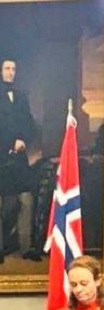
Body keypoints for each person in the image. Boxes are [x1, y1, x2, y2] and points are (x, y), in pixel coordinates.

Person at [0, 57, 36, 263]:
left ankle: (26, 248)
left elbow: (29, 123)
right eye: (7, 68)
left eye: (14, 68)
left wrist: (23, 139)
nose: (11, 72)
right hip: (0, 156)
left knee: (26, 200)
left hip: (19, 158)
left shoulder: (21, 96)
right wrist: (8, 143)